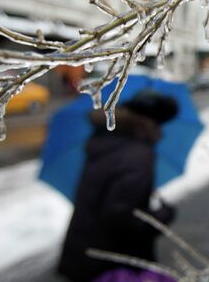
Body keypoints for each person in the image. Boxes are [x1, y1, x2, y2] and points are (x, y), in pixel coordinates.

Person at [58, 90, 178, 282]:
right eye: (161, 124)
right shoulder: (138, 154)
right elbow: (120, 218)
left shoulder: (105, 139)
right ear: (152, 122)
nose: (161, 131)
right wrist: (162, 216)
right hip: (111, 265)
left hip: (82, 252)